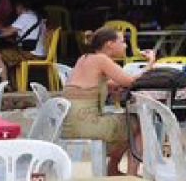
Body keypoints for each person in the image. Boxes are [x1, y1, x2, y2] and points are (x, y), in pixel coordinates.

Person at [61, 27, 155, 176]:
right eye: (123, 41)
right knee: (139, 122)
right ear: (110, 44)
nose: (125, 45)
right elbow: (131, 81)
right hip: (85, 124)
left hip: (69, 122)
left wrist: (114, 88)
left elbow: (104, 84)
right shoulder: (102, 59)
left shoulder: (84, 58)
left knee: (126, 123)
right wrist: (150, 63)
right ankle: (131, 175)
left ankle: (113, 169)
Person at [0, 0, 44, 88]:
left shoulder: (25, 16)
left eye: (16, 8)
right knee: (7, 53)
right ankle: (13, 85)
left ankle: (5, 85)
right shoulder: (36, 16)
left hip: (29, 53)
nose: (15, 11)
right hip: (37, 52)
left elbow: (6, 32)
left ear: (20, 6)